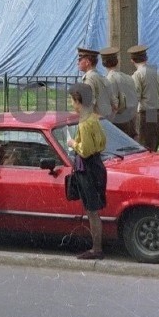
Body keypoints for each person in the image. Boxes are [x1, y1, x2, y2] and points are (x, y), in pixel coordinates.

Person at [66, 82, 107, 260]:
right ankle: (96, 247)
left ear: (78, 101)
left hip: (87, 168)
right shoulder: (94, 118)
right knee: (93, 210)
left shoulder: (84, 123)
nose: (72, 105)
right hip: (97, 165)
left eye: (73, 101)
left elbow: (85, 150)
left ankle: (96, 249)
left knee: (92, 211)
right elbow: (102, 142)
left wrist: (72, 143)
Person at [128, 44, 159, 152]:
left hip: (148, 113)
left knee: (145, 149)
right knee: (154, 148)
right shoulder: (157, 72)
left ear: (132, 60)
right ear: (146, 58)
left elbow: (135, 98)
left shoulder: (138, 75)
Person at [100, 46, 138, 139]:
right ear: (117, 61)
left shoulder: (109, 80)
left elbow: (113, 105)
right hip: (132, 120)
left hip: (118, 121)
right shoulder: (128, 78)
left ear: (103, 63)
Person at [76, 46, 114, 117]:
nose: (77, 63)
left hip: (96, 119)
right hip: (106, 118)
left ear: (87, 62)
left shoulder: (89, 78)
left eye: (79, 60)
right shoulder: (101, 76)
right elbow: (113, 102)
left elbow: (88, 103)